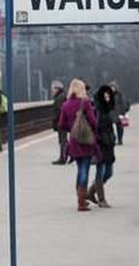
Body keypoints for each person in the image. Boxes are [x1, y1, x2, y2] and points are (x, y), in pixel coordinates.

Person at [57, 79, 99, 211]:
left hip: (74, 141)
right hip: (85, 140)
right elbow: (93, 121)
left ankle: (80, 198)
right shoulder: (85, 103)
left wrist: (73, 128)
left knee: (80, 168)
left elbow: (61, 125)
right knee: (84, 169)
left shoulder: (66, 104)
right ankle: (81, 201)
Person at [90, 84, 118, 208]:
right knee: (100, 172)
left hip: (109, 144)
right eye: (105, 96)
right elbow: (95, 127)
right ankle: (101, 199)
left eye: (109, 96)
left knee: (109, 173)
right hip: (100, 144)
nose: (108, 98)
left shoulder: (107, 109)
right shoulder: (97, 110)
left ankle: (90, 192)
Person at [50, 80, 68, 165]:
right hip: (61, 121)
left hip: (61, 121)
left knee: (62, 140)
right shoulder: (61, 96)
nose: (52, 91)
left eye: (53, 89)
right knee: (62, 139)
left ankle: (63, 157)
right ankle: (64, 156)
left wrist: (55, 120)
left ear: (57, 89)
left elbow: (59, 110)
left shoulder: (60, 97)